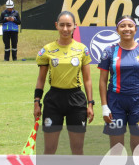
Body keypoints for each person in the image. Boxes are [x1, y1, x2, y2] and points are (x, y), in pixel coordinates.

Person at [33, 11, 95, 155]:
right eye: (62, 25)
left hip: (76, 101)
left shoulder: (82, 50)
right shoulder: (47, 50)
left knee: (77, 149)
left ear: (75, 26)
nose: (65, 29)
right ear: (56, 26)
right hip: (53, 100)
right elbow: (41, 79)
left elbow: (87, 79)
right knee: (49, 149)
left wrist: (90, 103)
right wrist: (37, 101)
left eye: (69, 25)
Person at [99, 15, 139, 153]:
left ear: (135, 29)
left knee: (138, 148)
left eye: (130, 26)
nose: (127, 29)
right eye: (122, 26)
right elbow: (102, 80)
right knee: (116, 149)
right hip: (115, 102)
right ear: (117, 29)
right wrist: (104, 107)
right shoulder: (109, 51)